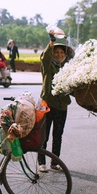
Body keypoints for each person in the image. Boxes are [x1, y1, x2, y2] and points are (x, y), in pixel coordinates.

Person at [39, 30, 74, 172]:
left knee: (58, 135)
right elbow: (44, 57)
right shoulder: (48, 67)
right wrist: (52, 42)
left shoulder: (67, 68)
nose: (59, 55)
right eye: (56, 52)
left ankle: (55, 162)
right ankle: (41, 162)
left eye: (62, 53)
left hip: (62, 105)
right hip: (48, 104)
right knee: (44, 136)